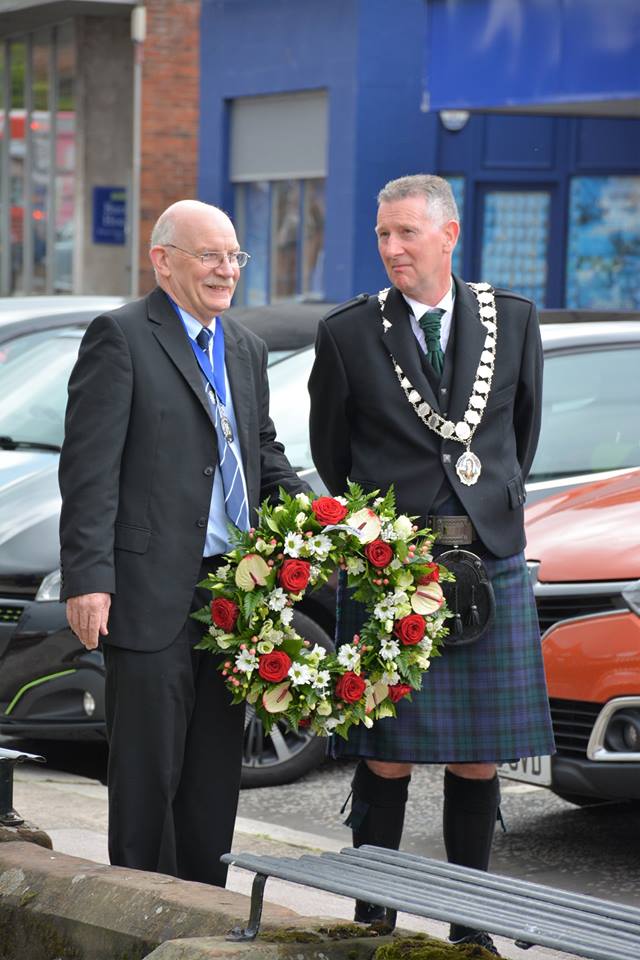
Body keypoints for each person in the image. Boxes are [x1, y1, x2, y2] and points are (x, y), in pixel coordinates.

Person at [308, 175, 555, 954]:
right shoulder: (348, 332)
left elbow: (521, 430)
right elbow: (332, 450)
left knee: (480, 758)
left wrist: (486, 519)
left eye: (406, 233)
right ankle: (373, 914)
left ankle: (467, 925)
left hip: (487, 561)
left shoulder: (511, 320)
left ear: (449, 235)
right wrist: (388, 528)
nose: (392, 249)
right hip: (393, 566)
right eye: (383, 235)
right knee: (385, 755)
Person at [59, 199, 309, 887]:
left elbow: (261, 453)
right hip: (147, 591)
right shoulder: (120, 337)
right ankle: (138, 916)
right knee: (146, 774)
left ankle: (207, 912)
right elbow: (89, 472)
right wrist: (88, 577)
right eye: (210, 255)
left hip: (233, 594)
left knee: (212, 773)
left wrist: (324, 521)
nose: (226, 270)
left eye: (234, 256)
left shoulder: (247, 347)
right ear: (162, 260)